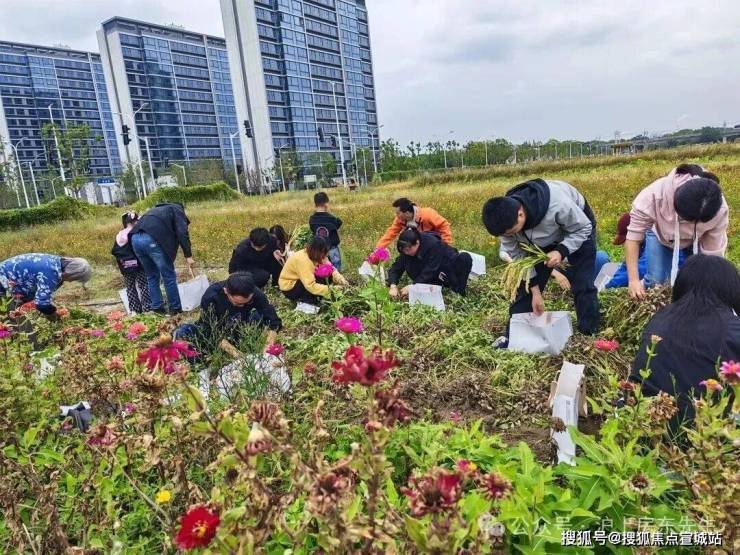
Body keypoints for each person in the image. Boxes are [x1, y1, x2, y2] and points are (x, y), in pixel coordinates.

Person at [482, 178, 599, 344]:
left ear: (520, 214)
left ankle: (588, 334)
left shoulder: (558, 204)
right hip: (539, 239)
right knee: (525, 288)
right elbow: (519, 258)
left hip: (577, 228)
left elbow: (583, 228)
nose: (510, 236)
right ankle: (514, 337)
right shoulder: (505, 223)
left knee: (582, 281)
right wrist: (535, 291)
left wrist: (561, 250)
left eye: (512, 232)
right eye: (506, 235)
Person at [630, 254, 740, 427]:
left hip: (641, 420)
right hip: (701, 432)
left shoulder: (660, 318)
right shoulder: (731, 328)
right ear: (731, 289)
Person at [624, 165, 728, 299]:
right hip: (661, 235)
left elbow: (712, 256)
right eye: (687, 220)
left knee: (700, 283)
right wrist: (633, 280)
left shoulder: (718, 209)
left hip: (699, 239)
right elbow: (633, 238)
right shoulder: (654, 196)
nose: (690, 225)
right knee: (657, 283)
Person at [175, 272, 282, 351]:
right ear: (226, 291)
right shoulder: (211, 296)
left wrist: (268, 346)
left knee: (259, 316)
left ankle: (244, 344)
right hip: (216, 330)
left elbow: (274, 321)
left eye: (247, 302)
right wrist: (236, 354)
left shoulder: (255, 293)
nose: (242, 306)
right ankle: (202, 363)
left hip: (240, 326)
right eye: (237, 303)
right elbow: (209, 328)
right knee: (183, 333)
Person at [130, 202, 194, 315]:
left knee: (151, 276)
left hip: (135, 239)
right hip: (151, 239)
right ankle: (175, 308)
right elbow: (182, 233)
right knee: (168, 276)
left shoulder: (155, 210)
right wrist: (188, 256)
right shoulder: (176, 210)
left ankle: (157, 308)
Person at [387, 229, 473, 298]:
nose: (406, 253)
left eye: (408, 250)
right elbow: (396, 268)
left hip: (446, 268)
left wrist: (412, 286)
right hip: (432, 278)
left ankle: (458, 290)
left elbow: (431, 269)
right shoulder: (407, 250)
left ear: (417, 243)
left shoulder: (433, 244)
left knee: (465, 258)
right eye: (404, 251)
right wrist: (393, 285)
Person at [0, 253, 91, 317]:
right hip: (3, 280)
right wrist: (56, 315)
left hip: (8, 278)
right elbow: (42, 304)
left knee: (10, 313)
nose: (71, 281)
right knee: (4, 314)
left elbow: (43, 295)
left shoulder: (55, 262)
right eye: (74, 278)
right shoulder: (51, 273)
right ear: (71, 273)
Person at [279, 236, 348, 306]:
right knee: (317, 282)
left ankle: (318, 296)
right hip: (289, 287)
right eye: (324, 253)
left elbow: (330, 268)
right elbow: (310, 286)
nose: (326, 255)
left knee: (326, 273)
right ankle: (307, 301)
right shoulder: (304, 261)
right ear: (318, 251)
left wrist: (340, 279)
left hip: (302, 280)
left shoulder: (317, 255)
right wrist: (332, 289)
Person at [111, 211, 151, 314]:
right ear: (134, 222)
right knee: (143, 285)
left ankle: (134, 310)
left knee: (130, 287)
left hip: (125, 266)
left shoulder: (119, 235)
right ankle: (147, 308)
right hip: (138, 265)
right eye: (137, 220)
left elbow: (114, 251)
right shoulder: (135, 233)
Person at [376, 197, 453, 249]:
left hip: (433, 242)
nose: (396, 215)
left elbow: (444, 225)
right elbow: (390, 233)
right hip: (415, 246)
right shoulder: (399, 220)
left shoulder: (427, 214)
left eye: (398, 213)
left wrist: (446, 245)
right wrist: (378, 249)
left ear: (406, 213)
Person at [309, 192, 343, 270]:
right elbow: (339, 223)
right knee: (336, 267)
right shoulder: (331, 218)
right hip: (332, 248)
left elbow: (312, 229)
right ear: (326, 204)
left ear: (315, 205)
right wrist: (329, 212)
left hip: (319, 249)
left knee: (322, 269)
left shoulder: (312, 219)